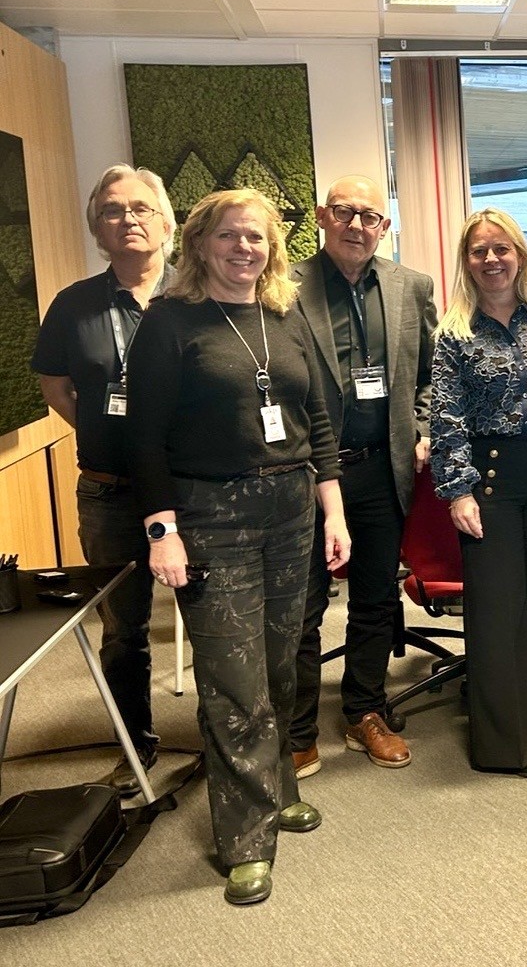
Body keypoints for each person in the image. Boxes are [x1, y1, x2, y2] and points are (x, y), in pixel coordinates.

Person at [127, 188, 350, 906]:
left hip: (292, 508)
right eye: (229, 236)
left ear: (271, 249)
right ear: (200, 243)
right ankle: (246, 838)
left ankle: (277, 785)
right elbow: (144, 437)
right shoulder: (168, 322)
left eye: (255, 238)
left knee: (283, 665)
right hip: (209, 512)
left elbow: (316, 417)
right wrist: (163, 530)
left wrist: (334, 513)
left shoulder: (284, 316)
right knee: (234, 681)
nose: (244, 249)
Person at [31, 164, 177, 797]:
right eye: (114, 210)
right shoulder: (74, 304)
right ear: (98, 227)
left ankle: (227, 738)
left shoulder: (196, 298)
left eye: (142, 207)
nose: (129, 219)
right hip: (109, 491)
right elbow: (56, 385)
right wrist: (101, 425)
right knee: (124, 629)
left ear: (168, 222)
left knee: (218, 619)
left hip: (193, 491)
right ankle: (135, 745)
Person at [288, 175, 437, 778]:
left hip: (381, 468)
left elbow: (431, 371)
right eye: (345, 212)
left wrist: (424, 426)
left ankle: (363, 710)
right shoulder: (284, 285)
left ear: (385, 226)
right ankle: (298, 728)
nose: (357, 225)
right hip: (305, 474)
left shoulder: (411, 287)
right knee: (304, 605)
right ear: (324, 216)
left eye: (370, 216)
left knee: (375, 596)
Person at [430, 208, 527, 779]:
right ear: (467, 262)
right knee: (498, 612)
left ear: (519, 254)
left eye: (502, 249)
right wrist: (458, 492)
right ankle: (508, 746)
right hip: (487, 479)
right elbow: (447, 420)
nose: (491, 260)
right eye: (479, 251)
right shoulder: (454, 334)